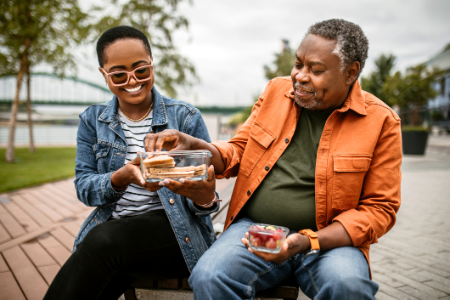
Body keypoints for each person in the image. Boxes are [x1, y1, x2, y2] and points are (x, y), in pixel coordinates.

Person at [144, 19, 402, 300]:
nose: (301, 76)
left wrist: (307, 241)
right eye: (298, 64)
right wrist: (199, 147)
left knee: (349, 288)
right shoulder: (275, 93)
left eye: (316, 70)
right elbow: (238, 151)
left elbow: (379, 209)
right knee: (209, 277)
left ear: (350, 72)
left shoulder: (381, 122)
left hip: (329, 243)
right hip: (255, 231)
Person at [44, 26, 219, 300]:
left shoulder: (185, 118)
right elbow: (84, 188)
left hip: (176, 237)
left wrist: (205, 197)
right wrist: (120, 177)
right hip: (118, 235)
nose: (132, 80)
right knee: (103, 262)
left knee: (103, 243)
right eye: (118, 74)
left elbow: (205, 198)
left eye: (140, 70)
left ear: (152, 65)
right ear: (104, 75)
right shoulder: (91, 121)